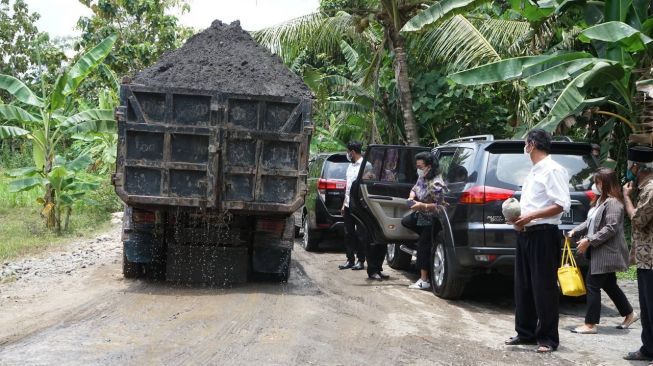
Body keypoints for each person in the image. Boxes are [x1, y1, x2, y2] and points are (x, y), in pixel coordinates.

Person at [504, 129, 570, 353]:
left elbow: (561, 204)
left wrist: (531, 216)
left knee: (544, 287)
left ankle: (548, 338)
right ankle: (525, 333)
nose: (524, 147)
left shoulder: (553, 169)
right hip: (526, 233)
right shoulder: (534, 171)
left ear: (531, 144)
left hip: (544, 233)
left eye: (525, 143)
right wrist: (519, 220)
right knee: (523, 285)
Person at [567, 168, 637, 334]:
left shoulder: (613, 203)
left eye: (598, 182)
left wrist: (589, 240)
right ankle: (629, 313)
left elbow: (611, 228)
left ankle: (590, 324)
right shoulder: (600, 201)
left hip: (606, 252)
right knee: (609, 285)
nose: (595, 185)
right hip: (599, 251)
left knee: (592, 284)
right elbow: (590, 222)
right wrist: (575, 231)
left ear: (606, 183)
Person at [622, 145, 653, 363]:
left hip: (652, 260)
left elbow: (638, 220)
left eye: (630, 165)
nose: (628, 169)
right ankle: (648, 349)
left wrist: (626, 198)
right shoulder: (645, 188)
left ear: (637, 166)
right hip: (645, 259)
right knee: (647, 309)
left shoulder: (651, 190)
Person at [401, 151, 446, 290]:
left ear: (429, 166)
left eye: (420, 167)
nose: (418, 170)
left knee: (423, 246)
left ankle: (424, 279)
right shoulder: (423, 177)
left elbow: (441, 207)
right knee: (406, 221)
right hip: (421, 215)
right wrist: (411, 197)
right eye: (417, 166)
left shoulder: (436, 183)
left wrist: (423, 205)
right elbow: (415, 187)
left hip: (432, 218)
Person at [339, 140, 366, 271]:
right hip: (349, 204)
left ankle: (361, 261)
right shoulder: (350, 166)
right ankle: (350, 260)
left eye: (348, 152)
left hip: (360, 205)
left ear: (353, 152)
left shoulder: (366, 166)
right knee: (348, 233)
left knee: (361, 234)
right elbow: (347, 187)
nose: (347, 154)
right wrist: (344, 204)